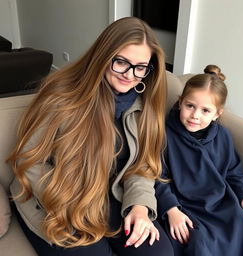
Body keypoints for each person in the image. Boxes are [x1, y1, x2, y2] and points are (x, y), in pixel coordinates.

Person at [7, 17, 174, 256]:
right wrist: (71, 207)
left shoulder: (144, 105)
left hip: (110, 195)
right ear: (103, 56)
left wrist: (140, 205)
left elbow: (142, 166)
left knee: (159, 253)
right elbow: (29, 161)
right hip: (56, 200)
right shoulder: (62, 96)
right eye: (121, 62)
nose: (130, 75)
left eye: (140, 67)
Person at [155, 65, 243, 256]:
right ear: (180, 103)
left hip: (220, 202)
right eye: (190, 106)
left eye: (205, 111)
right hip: (185, 205)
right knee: (198, 243)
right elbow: (156, 176)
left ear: (217, 113)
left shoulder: (223, 136)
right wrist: (171, 210)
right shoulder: (164, 135)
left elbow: (235, 172)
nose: (195, 115)